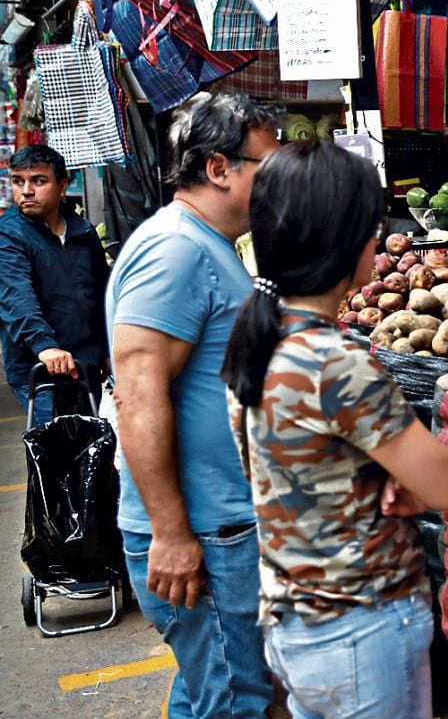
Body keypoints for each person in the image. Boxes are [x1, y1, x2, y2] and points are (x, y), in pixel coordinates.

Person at [221, 140, 448, 719]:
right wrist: (405, 477)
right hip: (361, 627)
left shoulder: (257, 338)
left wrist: (386, 472)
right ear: (346, 242)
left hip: (296, 620)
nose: (380, 241)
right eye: (374, 226)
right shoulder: (335, 362)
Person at [107, 92, 281, 718]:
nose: (279, 180)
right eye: (269, 165)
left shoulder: (205, 244)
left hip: (220, 527)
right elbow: (137, 391)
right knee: (235, 701)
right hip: (206, 534)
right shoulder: (175, 249)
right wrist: (172, 533)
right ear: (219, 168)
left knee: (212, 690)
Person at [0, 144, 108, 425]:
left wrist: (108, 350)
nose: (26, 190)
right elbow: (15, 296)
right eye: (17, 181)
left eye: (38, 180)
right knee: (55, 456)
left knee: (91, 454)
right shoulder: (8, 235)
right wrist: (44, 345)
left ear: (62, 186)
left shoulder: (83, 232)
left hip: (86, 365)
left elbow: (102, 295)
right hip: (38, 369)